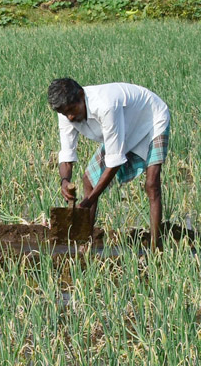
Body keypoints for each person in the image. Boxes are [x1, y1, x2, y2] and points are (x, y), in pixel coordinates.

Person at [48, 77, 171, 249]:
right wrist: (64, 181)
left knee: (152, 184)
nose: (70, 116)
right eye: (64, 113)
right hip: (123, 127)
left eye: (72, 110)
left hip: (151, 119)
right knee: (88, 180)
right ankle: (85, 242)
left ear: (81, 95)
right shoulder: (66, 114)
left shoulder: (105, 105)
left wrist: (88, 201)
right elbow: (67, 155)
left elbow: (114, 163)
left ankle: (155, 246)